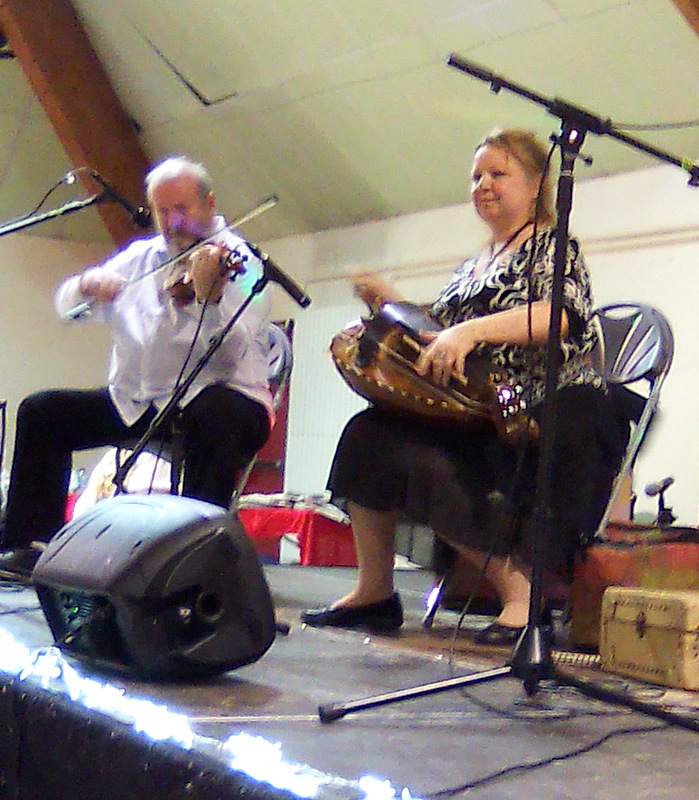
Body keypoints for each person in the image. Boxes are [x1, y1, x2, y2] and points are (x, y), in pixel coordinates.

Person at [301, 128, 633, 644]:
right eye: (476, 176)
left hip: (526, 410)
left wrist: (470, 331)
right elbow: (441, 332)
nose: (483, 185)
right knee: (368, 435)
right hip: (465, 406)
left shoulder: (552, 245)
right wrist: (393, 306)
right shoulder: (473, 264)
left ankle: (522, 598)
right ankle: (375, 591)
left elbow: (561, 315)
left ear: (536, 184)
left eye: (498, 173)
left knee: (432, 465)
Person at [0, 156, 273, 578]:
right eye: (162, 211)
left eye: (181, 209)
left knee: (212, 415)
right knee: (42, 411)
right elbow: (66, 308)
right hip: (140, 401)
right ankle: (30, 545)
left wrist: (211, 300)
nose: (173, 222)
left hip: (225, 400)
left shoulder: (241, 263)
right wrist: (85, 286)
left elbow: (230, 355)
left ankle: (196, 560)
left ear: (209, 203)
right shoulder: (141, 258)